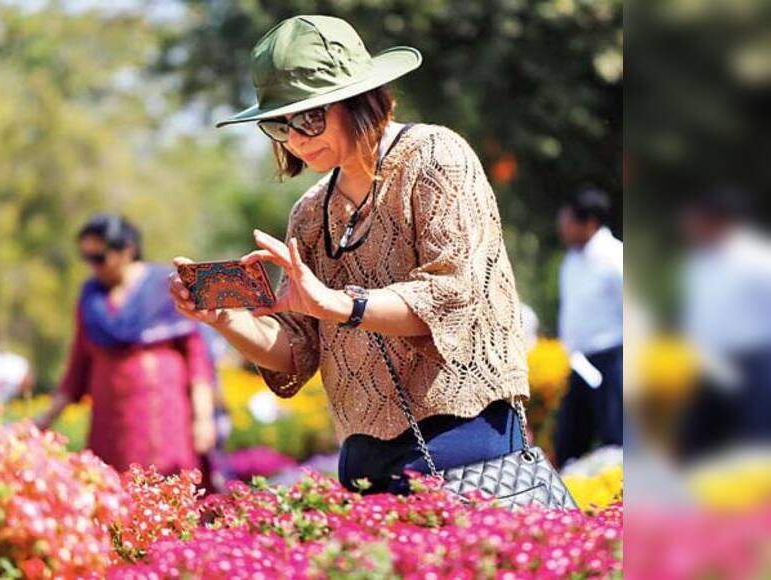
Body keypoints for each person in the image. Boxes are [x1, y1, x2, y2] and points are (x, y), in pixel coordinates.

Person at [168, 16, 529, 494]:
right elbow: (297, 351)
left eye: (310, 116)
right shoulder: (309, 213)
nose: (295, 138)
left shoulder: (437, 157)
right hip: (363, 460)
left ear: (359, 98)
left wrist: (339, 304)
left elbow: (452, 297)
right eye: (278, 123)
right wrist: (225, 320)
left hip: (464, 436)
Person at [36, 214, 217, 476]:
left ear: (127, 250)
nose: (93, 267)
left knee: (168, 493)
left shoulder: (166, 288)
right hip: (110, 424)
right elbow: (78, 367)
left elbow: (197, 356)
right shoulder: (91, 299)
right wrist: (43, 421)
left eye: (99, 258)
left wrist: (204, 417)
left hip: (163, 421)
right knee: (114, 498)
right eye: (86, 258)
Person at [677, 188, 771, 460]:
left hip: (752, 363)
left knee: (752, 442)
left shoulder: (757, 260)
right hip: (708, 362)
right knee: (698, 447)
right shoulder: (697, 261)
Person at [554, 187, 624, 465]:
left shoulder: (615, 257)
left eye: (568, 223)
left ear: (590, 222)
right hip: (578, 361)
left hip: (611, 359)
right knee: (569, 442)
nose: (563, 230)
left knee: (615, 437)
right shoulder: (571, 261)